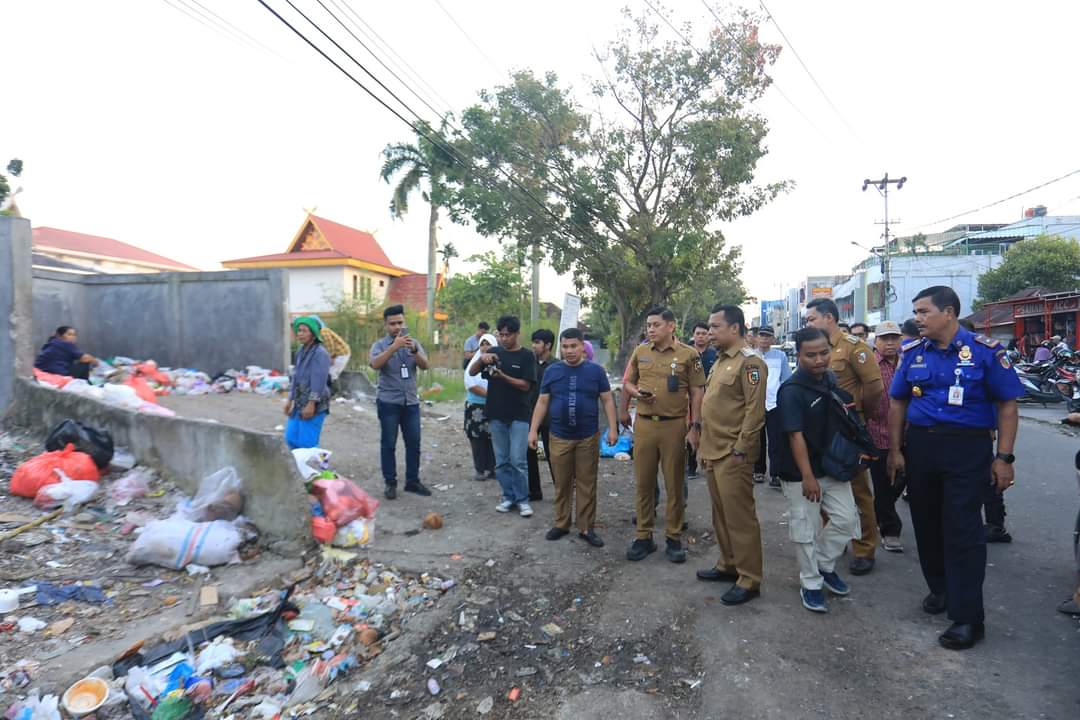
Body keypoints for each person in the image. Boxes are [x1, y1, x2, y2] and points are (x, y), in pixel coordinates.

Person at [888, 285, 1023, 650]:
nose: (917, 319)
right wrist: (896, 451)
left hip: (968, 448)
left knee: (963, 530)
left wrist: (1004, 457)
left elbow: (1007, 407)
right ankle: (941, 589)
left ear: (948, 313)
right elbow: (898, 403)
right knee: (927, 523)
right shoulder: (912, 352)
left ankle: (968, 618)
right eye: (915, 313)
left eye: (923, 312)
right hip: (922, 447)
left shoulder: (985, 353)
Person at [776, 327, 860, 613]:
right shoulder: (791, 391)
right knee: (806, 530)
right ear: (797, 355)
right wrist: (807, 476)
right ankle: (810, 582)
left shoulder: (830, 381)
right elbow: (794, 435)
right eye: (810, 355)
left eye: (824, 353)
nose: (819, 360)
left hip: (833, 468)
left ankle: (824, 565)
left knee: (847, 520)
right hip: (801, 473)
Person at [805, 297, 883, 576]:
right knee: (827, 488)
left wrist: (861, 416)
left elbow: (874, 386)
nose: (809, 323)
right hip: (822, 431)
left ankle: (864, 548)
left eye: (812, 318)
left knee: (858, 490)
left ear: (829, 318)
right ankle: (836, 542)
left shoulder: (853, 348)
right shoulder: (817, 349)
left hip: (847, 431)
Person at [621, 307, 706, 564]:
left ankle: (673, 537)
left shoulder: (689, 355)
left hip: (674, 425)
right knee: (644, 483)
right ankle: (644, 536)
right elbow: (627, 382)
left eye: (656, 325)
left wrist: (695, 426)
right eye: (649, 325)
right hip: (645, 424)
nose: (650, 329)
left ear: (671, 327)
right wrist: (635, 394)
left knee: (675, 484)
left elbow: (697, 392)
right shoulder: (641, 351)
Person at [696, 304, 767, 605]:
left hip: (733, 453)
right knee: (721, 514)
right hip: (713, 450)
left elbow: (754, 412)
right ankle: (728, 564)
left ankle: (749, 578)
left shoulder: (750, 363)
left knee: (740, 518)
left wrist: (741, 448)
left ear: (735, 328)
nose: (709, 332)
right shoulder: (720, 360)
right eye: (709, 327)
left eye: (715, 327)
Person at [530, 328, 618, 547]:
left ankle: (586, 527)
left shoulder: (596, 372)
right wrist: (533, 430)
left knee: (587, 483)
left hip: (587, 436)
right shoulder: (552, 371)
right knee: (562, 483)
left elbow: (607, 400)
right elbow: (542, 402)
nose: (569, 351)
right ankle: (561, 523)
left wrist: (614, 429)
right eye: (565, 346)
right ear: (560, 347)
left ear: (582, 347)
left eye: (573, 346)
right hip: (559, 436)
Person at [471, 315, 537, 517]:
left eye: (508, 335)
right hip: (496, 413)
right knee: (501, 460)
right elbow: (473, 372)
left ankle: (523, 500)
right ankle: (508, 497)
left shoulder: (527, 356)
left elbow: (525, 385)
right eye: (500, 335)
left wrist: (503, 376)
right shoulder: (493, 351)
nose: (504, 339)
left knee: (518, 460)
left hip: (519, 414)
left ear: (517, 334)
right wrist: (481, 358)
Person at [370, 305, 431, 499]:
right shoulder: (380, 345)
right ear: (386, 325)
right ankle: (390, 483)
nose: (397, 327)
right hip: (388, 402)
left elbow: (425, 365)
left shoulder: (413, 343)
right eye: (393, 324)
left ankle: (412, 482)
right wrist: (393, 347)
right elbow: (375, 365)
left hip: (411, 402)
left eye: (400, 322)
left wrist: (414, 350)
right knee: (388, 443)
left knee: (414, 443)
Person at [867, 320, 904, 552]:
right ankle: (890, 529)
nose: (890, 343)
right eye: (885, 338)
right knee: (882, 483)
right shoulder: (869, 365)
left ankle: (876, 513)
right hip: (877, 433)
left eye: (894, 338)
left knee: (901, 480)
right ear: (876, 341)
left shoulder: (909, 362)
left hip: (907, 434)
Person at [284, 316, 331, 450]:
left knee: (307, 443)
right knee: (291, 438)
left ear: (313, 333)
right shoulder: (300, 351)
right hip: (299, 400)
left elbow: (319, 381)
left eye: (304, 331)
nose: (299, 334)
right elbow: (296, 377)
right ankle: (297, 469)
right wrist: (290, 400)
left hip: (315, 402)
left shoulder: (320, 354)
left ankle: (314, 470)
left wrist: (311, 404)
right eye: (299, 331)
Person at [754, 326, 792, 487]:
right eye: (761, 336)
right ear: (756, 338)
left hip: (774, 404)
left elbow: (786, 379)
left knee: (777, 441)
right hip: (755, 404)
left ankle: (776, 473)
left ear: (772, 339)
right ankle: (759, 471)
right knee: (757, 440)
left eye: (767, 336)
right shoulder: (749, 356)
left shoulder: (780, 356)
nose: (764, 339)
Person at [464, 333, 498, 482]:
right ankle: (479, 469)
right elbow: (471, 384)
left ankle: (492, 469)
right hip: (476, 407)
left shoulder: (498, 362)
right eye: (482, 344)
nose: (485, 347)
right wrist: (491, 395)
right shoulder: (474, 363)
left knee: (493, 438)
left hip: (493, 406)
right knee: (477, 438)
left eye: (488, 343)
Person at [526, 329, 556, 501]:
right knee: (529, 453)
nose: (534, 345)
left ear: (548, 345)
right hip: (530, 416)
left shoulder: (557, 366)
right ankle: (534, 491)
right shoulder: (530, 364)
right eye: (533, 342)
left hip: (551, 418)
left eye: (537, 342)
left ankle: (560, 489)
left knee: (554, 456)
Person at [687, 322, 717, 478]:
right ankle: (690, 466)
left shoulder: (715, 355)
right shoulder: (686, 353)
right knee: (691, 428)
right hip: (690, 400)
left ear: (708, 336)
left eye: (704, 333)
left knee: (708, 432)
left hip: (710, 400)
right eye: (698, 333)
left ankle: (708, 461)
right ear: (693, 335)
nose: (700, 336)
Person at [34, 326, 99, 380]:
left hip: (45, 373)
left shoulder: (51, 343)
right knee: (84, 364)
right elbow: (85, 358)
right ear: (59, 336)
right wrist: (95, 361)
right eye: (69, 334)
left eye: (74, 335)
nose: (73, 337)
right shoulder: (64, 344)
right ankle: (85, 384)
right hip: (59, 375)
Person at [310, 316, 351, 382]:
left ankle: (335, 390)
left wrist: (331, 358)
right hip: (336, 354)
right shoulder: (318, 333)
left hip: (341, 354)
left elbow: (330, 346)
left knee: (331, 373)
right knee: (328, 372)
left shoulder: (323, 331)